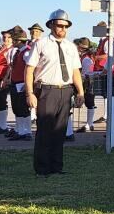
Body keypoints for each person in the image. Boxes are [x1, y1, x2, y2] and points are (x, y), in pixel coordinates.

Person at [25, 10, 84, 175]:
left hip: (65, 90)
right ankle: (42, 168)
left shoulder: (70, 46)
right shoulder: (41, 44)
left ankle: (56, 167)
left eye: (66, 26)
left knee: (60, 130)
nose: (63, 29)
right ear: (51, 25)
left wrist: (80, 92)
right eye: (59, 25)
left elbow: (75, 71)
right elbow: (29, 70)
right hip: (47, 90)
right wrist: (30, 93)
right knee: (45, 131)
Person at [7, 26, 36, 141]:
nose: (12, 42)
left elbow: (31, 70)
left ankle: (27, 131)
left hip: (22, 84)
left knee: (23, 109)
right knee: (17, 108)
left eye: (14, 40)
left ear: (19, 41)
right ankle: (20, 130)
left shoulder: (27, 52)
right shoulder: (19, 52)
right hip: (15, 83)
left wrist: (27, 84)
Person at [74, 38, 97, 132]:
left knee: (89, 102)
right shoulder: (86, 56)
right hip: (88, 80)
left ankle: (89, 124)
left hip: (86, 81)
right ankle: (90, 124)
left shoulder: (86, 58)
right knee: (90, 102)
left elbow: (85, 72)